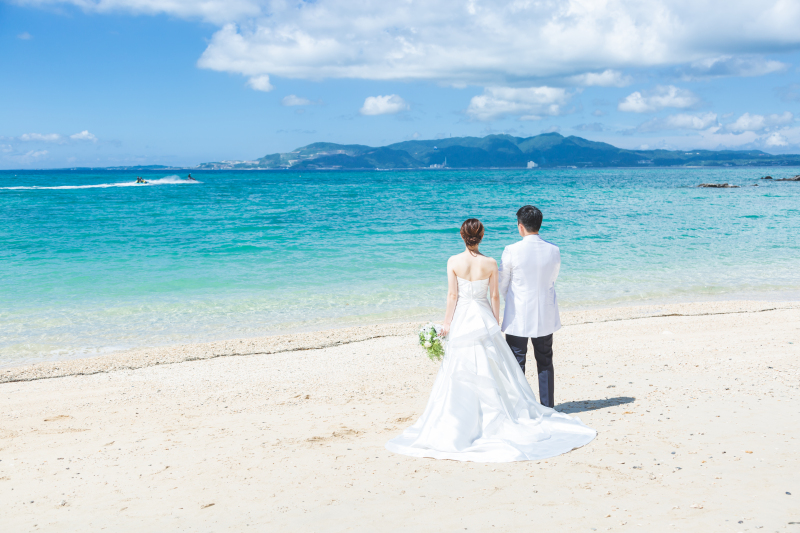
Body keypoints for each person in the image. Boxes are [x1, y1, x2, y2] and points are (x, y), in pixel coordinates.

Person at [386, 219, 595, 462]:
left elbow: (452, 295)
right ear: (481, 236)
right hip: (483, 317)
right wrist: (495, 322)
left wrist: (447, 324)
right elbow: (495, 295)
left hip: (463, 317)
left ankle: (460, 418)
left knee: (459, 367)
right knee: (494, 366)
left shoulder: (453, 261)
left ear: (462, 236)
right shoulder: (490, 263)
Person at [499, 205, 561, 408]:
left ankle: (521, 406)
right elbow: (552, 280)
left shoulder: (511, 250)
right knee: (545, 360)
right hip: (545, 312)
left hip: (518, 313)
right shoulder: (554, 249)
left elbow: (502, 284)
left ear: (520, 226)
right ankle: (547, 407)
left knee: (517, 362)